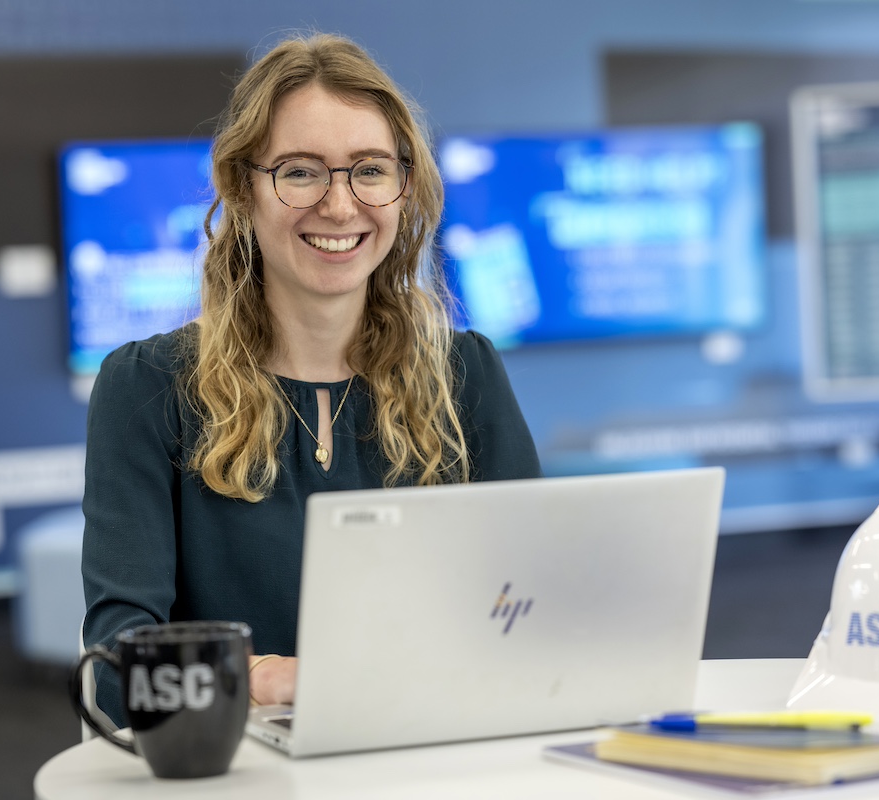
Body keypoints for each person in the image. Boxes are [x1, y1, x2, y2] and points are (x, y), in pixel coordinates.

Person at [81, 32, 541, 726]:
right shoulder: (147, 388)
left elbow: (534, 606)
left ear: (403, 186)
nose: (339, 204)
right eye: (300, 172)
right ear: (243, 187)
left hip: (435, 756)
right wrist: (260, 677)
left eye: (369, 169)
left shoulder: (465, 371)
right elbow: (120, 666)